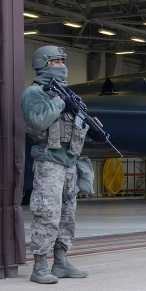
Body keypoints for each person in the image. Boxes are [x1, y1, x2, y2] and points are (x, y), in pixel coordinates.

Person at [22, 45, 90, 284]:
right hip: (49, 162)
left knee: (67, 216)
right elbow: (38, 122)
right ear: (43, 64)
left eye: (63, 60)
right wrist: (60, 102)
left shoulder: (65, 93)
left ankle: (60, 261)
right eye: (56, 61)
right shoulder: (34, 93)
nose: (62, 65)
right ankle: (39, 266)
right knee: (47, 213)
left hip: (69, 161)